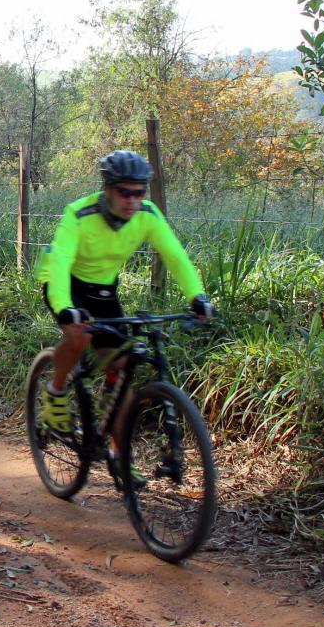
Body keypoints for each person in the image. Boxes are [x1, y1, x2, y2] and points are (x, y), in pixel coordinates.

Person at [36, 150, 213, 434]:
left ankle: (119, 460)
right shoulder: (79, 214)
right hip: (66, 283)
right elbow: (60, 262)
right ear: (106, 189)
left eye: (139, 192)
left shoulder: (147, 214)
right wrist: (64, 307)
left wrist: (197, 297)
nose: (132, 199)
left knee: (120, 373)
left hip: (104, 290)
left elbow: (176, 256)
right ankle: (55, 392)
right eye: (124, 192)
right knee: (79, 338)